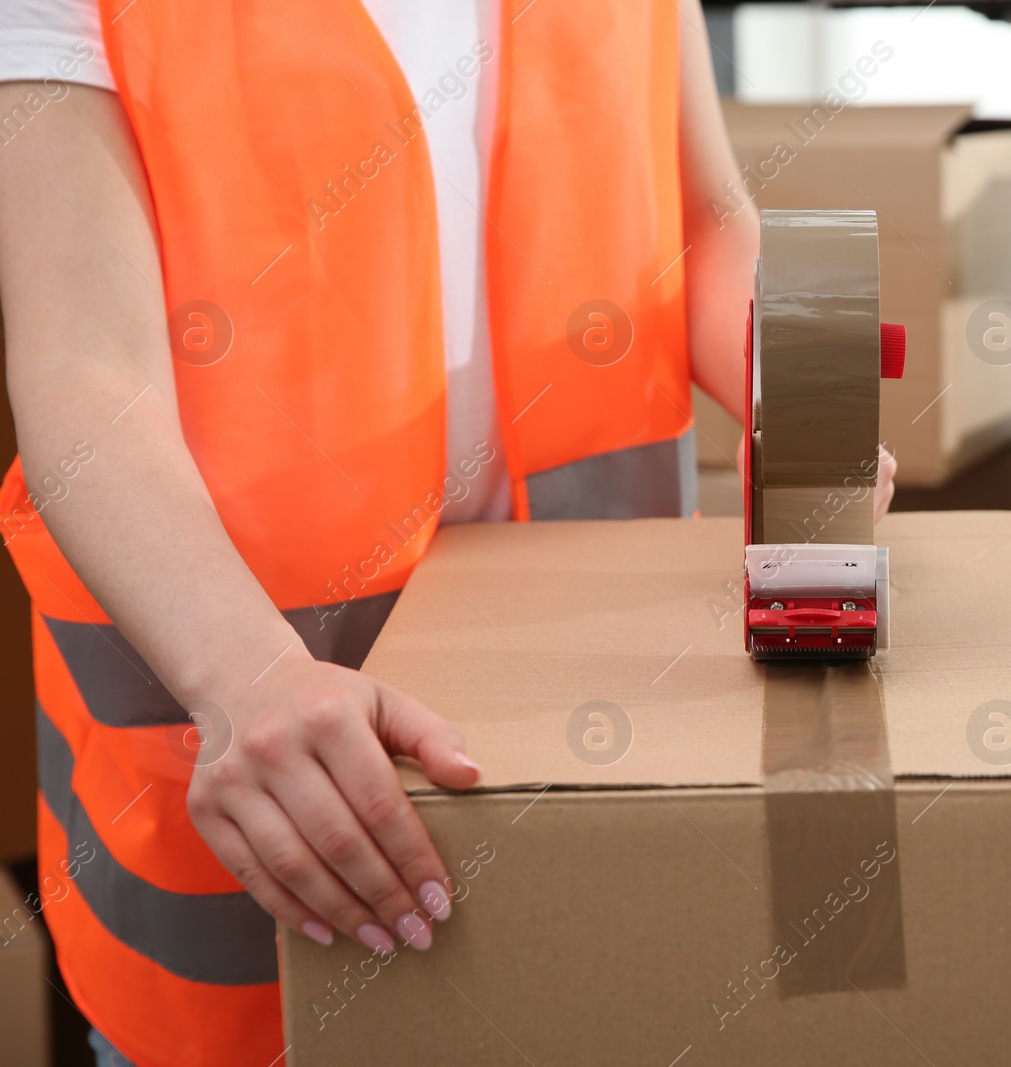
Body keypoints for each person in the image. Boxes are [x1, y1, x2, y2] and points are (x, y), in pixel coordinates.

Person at [0, 3, 896, 1065]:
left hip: (591, 724)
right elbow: (85, 372)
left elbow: (705, 222)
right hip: (263, 765)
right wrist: (247, 677)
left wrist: (797, 390)